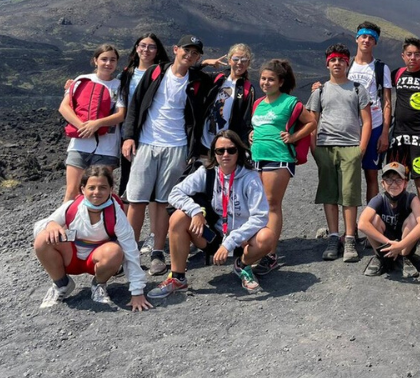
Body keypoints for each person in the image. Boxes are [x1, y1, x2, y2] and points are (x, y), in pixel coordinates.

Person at [121, 34, 214, 276]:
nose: (189, 55)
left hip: (177, 147)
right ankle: (128, 254)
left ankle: (157, 253)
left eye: (195, 53)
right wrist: (129, 136)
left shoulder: (197, 81)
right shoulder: (156, 72)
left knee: (164, 202)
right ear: (175, 49)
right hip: (146, 143)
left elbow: (219, 89)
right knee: (136, 200)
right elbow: (135, 104)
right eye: (186, 50)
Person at [148, 130, 276, 297]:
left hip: (242, 240)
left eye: (231, 150)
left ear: (239, 151)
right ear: (214, 153)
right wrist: (195, 211)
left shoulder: (250, 177)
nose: (225, 155)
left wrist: (229, 243)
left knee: (267, 236)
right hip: (213, 237)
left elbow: (260, 217)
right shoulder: (207, 172)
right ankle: (177, 278)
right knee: (178, 217)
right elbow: (174, 194)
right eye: (220, 151)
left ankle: (242, 265)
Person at [33, 165, 152, 311]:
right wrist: (50, 224)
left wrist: (137, 292)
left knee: (115, 251)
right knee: (43, 239)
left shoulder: (116, 214)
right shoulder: (72, 207)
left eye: (102, 187)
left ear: (111, 189)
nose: (96, 192)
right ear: (83, 189)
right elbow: (38, 227)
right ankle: (61, 284)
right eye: (91, 188)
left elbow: (131, 250)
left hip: (98, 261)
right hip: (71, 258)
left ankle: (99, 284)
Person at [250, 59, 316, 274]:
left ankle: (270, 254)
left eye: (271, 79)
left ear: (280, 82)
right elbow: (260, 126)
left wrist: (293, 137)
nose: (265, 83)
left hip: (278, 158)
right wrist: (252, 134)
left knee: (271, 204)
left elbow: (311, 122)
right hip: (257, 157)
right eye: (263, 78)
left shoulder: (290, 102)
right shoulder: (258, 103)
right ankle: (258, 246)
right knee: (257, 205)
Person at [307, 44, 372, 262]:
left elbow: (367, 121)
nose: (337, 64)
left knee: (349, 194)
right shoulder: (319, 91)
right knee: (329, 193)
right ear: (327, 64)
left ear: (347, 63)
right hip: (325, 147)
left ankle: (350, 237)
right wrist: (314, 150)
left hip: (351, 147)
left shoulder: (358, 89)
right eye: (333, 60)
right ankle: (334, 237)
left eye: (341, 60)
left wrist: (361, 149)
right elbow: (312, 122)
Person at [116, 33, 171, 254]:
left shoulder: (163, 72)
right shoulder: (126, 75)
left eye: (151, 47)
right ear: (136, 48)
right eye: (143, 46)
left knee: (154, 189)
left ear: (158, 51)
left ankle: (153, 236)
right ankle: (126, 237)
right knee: (129, 186)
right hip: (130, 136)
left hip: (154, 136)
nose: (146, 50)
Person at [58, 44, 127, 202]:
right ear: (95, 60)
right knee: (72, 192)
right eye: (104, 59)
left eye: (112, 60)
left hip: (107, 148)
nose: (108, 63)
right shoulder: (81, 80)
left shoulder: (120, 86)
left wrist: (97, 124)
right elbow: (64, 107)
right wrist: (83, 126)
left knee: (100, 195)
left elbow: (121, 114)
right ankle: (67, 219)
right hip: (79, 145)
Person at [348, 21, 392, 203]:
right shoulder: (346, 64)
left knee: (371, 175)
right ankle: (350, 219)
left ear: (375, 42)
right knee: (348, 175)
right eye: (363, 36)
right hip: (350, 126)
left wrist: (384, 133)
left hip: (374, 125)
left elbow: (387, 102)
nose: (366, 40)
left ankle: (371, 215)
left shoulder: (381, 68)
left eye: (371, 38)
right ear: (357, 38)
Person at [357, 162, 420, 278]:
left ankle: (403, 257)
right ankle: (379, 257)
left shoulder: (411, 198)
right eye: (389, 180)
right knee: (373, 219)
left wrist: (400, 245)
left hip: (405, 244)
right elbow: (362, 224)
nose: (393, 184)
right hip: (384, 244)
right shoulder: (379, 199)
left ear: (405, 183)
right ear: (383, 184)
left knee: (414, 219)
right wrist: (390, 243)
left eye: (398, 180)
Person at [386, 37, 420, 198]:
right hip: (399, 134)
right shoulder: (396, 74)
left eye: (417, 54)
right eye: (409, 54)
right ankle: (396, 213)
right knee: (395, 178)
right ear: (403, 56)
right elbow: (371, 84)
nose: (413, 58)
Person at [201, 43, 257, 150]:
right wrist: (204, 63)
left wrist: (244, 148)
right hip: (204, 143)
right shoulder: (217, 78)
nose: (239, 63)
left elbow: (246, 121)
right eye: (236, 59)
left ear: (248, 63)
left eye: (244, 60)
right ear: (229, 60)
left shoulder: (247, 89)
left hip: (226, 146)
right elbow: (191, 73)